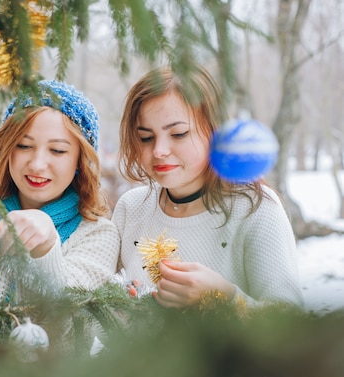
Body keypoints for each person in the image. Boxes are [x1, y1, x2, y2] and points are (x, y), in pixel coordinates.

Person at [112, 65, 303, 308]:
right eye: (146, 137)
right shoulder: (132, 207)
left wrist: (224, 298)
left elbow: (287, 326)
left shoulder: (255, 208)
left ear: (214, 131)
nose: (159, 150)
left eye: (179, 133)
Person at [0, 80, 120, 311]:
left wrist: (46, 247)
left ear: (80, 160)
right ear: (7, 149)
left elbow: (72, 321)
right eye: (23, 146)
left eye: (57, 150)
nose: (38, 165)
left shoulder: (97, 234)